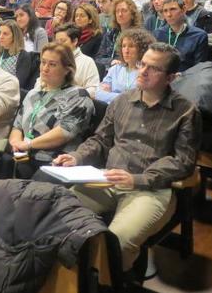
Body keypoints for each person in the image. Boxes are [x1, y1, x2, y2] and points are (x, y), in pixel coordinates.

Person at [54, 42, 201, 272]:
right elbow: (100, 139)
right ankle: (76, 281)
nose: (142, 71)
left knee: (117, 241)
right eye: (143, 64)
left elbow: (183, 161)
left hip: (150, 189)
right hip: (107, 180)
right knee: (57, 216)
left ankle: (110, 284)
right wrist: (76, 157)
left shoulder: (186, 111)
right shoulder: (122, 101)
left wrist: (138, 179)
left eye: (154, 68)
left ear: (171, 78)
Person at [8, 43, 94, 179]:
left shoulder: (78, 96)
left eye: (52, 64)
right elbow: (17, 126)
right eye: (43, 63)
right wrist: (16, 144)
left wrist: (28, 144)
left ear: (67, 69)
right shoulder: (33, 93)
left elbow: (64, 132)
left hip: (56, 161)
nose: (45, 69)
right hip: (26, 156)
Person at [96, 28, 155, 103]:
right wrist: (127, 97)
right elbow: (99, 94)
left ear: (142, 49)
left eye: (131, 46)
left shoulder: (146, 71)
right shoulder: (115, 69)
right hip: (112, 109)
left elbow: (141, 98)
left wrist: (111, 95)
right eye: (124, 46)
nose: (126, 51)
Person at [154, 0, 209, 72]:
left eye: (173, 9)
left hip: (186, 79)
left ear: (183, 10)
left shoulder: (199, 36)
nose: (169, 14)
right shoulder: (158, 34)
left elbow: (199, 68)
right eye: (165, 11)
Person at [52, 23, 99, 97]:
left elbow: (94, 89)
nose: (59, 45)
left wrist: (74, 94)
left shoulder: (87, 62)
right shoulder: (51, 60)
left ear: (74, 41)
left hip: (74, 102)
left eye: (63, 41)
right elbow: (41, 82)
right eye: (57, 42)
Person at [96, 0, 141, 70]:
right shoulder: (111, 34)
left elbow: (142, 60)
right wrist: (111, 61)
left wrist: (122, 63)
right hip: (110, 71)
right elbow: (99, 58)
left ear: (132, 14)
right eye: (117, 11)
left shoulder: (139, 35)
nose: (120, 14)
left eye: (124, 11)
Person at [0, 19, 40, 91]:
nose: (1, 36)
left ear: (15, 36)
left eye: (5, 34)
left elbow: (18, 83)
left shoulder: (23, 56)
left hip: (10, 92)